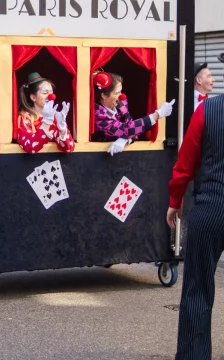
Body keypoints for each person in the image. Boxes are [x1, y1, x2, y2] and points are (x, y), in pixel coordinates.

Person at [166, 95, 224, 359]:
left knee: (197, 289)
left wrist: (175, 200)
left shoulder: (207, 110)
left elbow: (185, 162)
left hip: (211, 206)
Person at [92, 70, 175, 155]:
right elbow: (129, 129)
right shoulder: (98, 116)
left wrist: (125, 140)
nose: (121, 96)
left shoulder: (121, 103)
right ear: (104, 96)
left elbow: (134, 130)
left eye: (121, 91)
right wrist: (158, 114)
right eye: (117, 93)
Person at [17, 72, 74, 154]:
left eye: (51, 92)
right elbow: (29, 147)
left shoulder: (56, 117)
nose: (51, 97)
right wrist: (46, 123)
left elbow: (68, 149)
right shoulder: (26, 118)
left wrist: (62, 129)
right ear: (33, 97)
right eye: (45, 93)